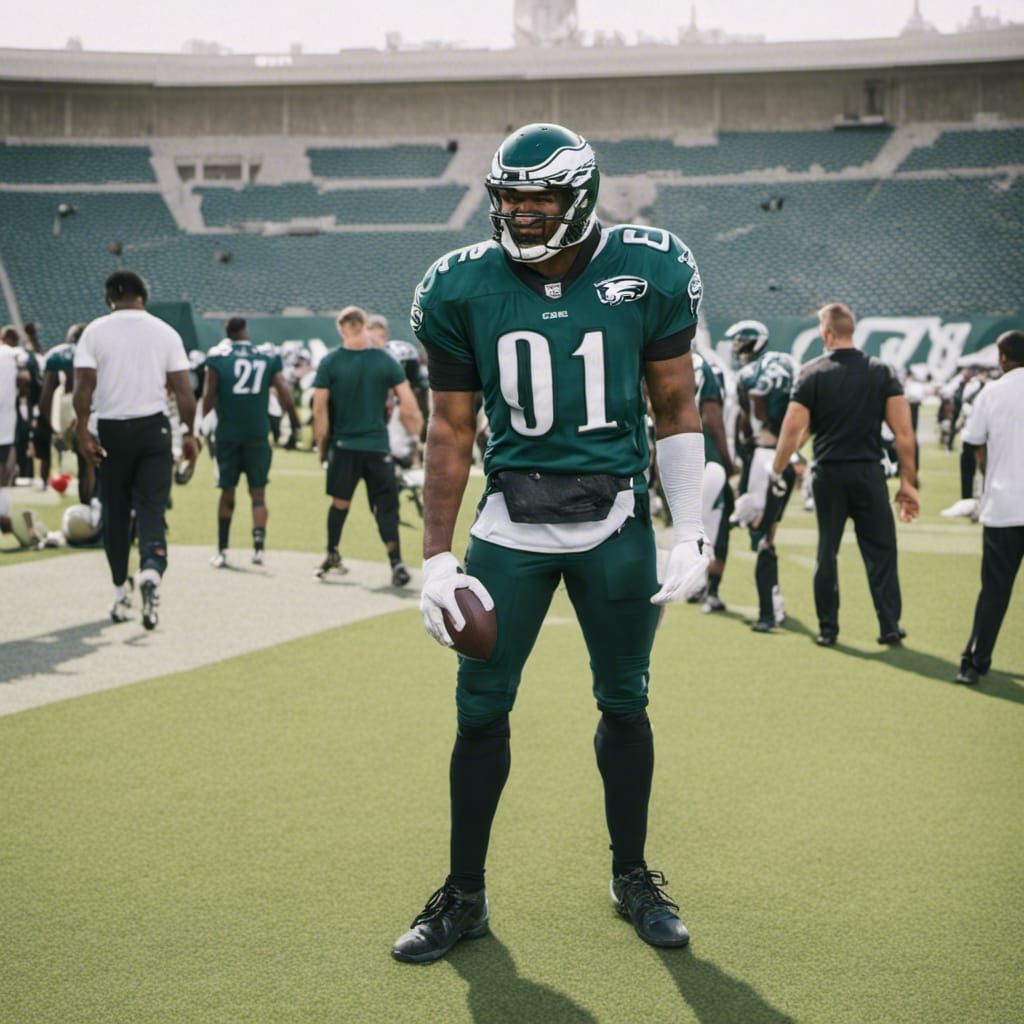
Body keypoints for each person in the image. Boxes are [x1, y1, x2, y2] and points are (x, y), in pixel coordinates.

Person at [391, 122, 709, 965]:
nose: (521, 216)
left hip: (614, 521)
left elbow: (675, 407)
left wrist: (691, 527)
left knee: (625, 701)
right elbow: (451, 429)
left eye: (538, 201)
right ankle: (464, 894)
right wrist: (435, 557)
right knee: (480, 708)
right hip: (510, 525)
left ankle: (633, 877)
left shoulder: (650, 266)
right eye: (510, 199)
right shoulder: (458, 285)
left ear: (579, 197)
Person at [771, 302, 919, 646]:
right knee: (882, 551)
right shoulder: (881, 371)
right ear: (852, 331)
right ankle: (890, 625)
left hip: (829, 474)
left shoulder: (812, 373)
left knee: (827, 551)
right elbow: (903, 433)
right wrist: (908, 483)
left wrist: (777, 469)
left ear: (826, 334)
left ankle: (828, 629)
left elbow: (792, 430)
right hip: (869, 472)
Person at [72, 269, 197, 629]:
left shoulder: (94, 331)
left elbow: (83, 390)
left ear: (110, 298)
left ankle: (118, 591)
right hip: (153, 429)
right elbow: (184, 393)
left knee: (116, 513)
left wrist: (82, 432)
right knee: (151, 508)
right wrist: (189, 434)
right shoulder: (165, 331)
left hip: (111, 429)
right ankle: (151, 570)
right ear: (143, 296)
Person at [312, 305, 422, 585]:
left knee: (340, 504)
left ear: (341, 329)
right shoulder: (385, 361)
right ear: (364, 326)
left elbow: (319, 410)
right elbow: (408, 404)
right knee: (385, 507)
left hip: (344, 446)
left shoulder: (330, 361)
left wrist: (321, 447)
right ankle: (396, 563)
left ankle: (332, 553)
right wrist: (415, 439)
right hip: (377, 447)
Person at [956, 331, 1024, 685]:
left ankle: (974, 663)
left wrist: (979, 482)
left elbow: (972, 443)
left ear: (1002, 357)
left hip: (1004, 505)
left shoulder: (991, 392)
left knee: (994, 591)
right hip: (1006, 505)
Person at [201, 317, 297, 567]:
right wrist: (294, 423)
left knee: (227, 493)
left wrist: (202, 425)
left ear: (227, 334)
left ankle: (222, 550)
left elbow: (208, 397)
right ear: (246, 331)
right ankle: (259, 550)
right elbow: (285, 393)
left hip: (227, 435)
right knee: (258, 495)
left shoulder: (218, 358)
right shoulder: (266, 357)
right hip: (257, 435)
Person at [729, 321, 797, 632]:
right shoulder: (788, 365)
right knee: (769, 530)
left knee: (760, 535)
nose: (737, 347)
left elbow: (746, 424)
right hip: (787, 456)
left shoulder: (747, 376)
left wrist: (744, 456)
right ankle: (774, 598)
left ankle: (769, 612)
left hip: (764, 457)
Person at [692, 351, 736, 613]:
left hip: (679, 457)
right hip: (708, 458)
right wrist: (728, 461)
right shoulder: (705, 371)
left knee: (692, 525)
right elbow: (713, 418)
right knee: (716, 527)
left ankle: (695, 583)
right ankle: (712, 591)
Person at [37, 322, 95, 503]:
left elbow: (45, 396)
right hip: (89, 410)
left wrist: (53, 427)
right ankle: (89, 504)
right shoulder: (93, 354)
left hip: (64, 407)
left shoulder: (57, 354)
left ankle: (45, 484)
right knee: (87, 464)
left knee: (65, 458)